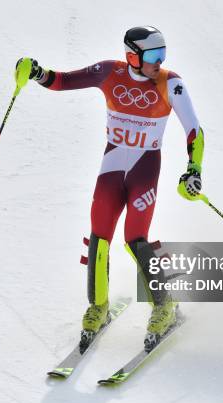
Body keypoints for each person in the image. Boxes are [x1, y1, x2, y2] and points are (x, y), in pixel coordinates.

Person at [18, 26, 204, 347]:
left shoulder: (171, 84)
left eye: (163, 55)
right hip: (112, 169)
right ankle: (98, 306)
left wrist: (193, 168)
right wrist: (36, 72)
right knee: (99, 236)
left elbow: (194, 131)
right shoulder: (109, 73)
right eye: (152, 56)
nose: (159, 62)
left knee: (135, 239)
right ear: (132, 55)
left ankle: (165, 305)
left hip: (144, 171)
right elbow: (61, 80)